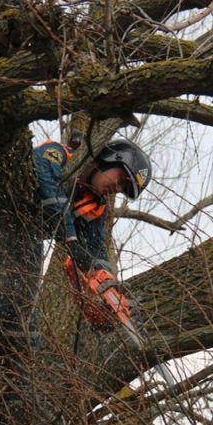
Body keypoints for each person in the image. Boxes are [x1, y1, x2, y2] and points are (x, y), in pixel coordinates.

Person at [34, 136, 152, 327]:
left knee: (24, 316)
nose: (118, 188)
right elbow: (47, 186)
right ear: (111, 159)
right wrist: (70, 235)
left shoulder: (94, 206)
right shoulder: (61, 155)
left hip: (26, 237)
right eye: (122, 179)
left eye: (123, 188)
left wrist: (107, 284)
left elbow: (95, 247)